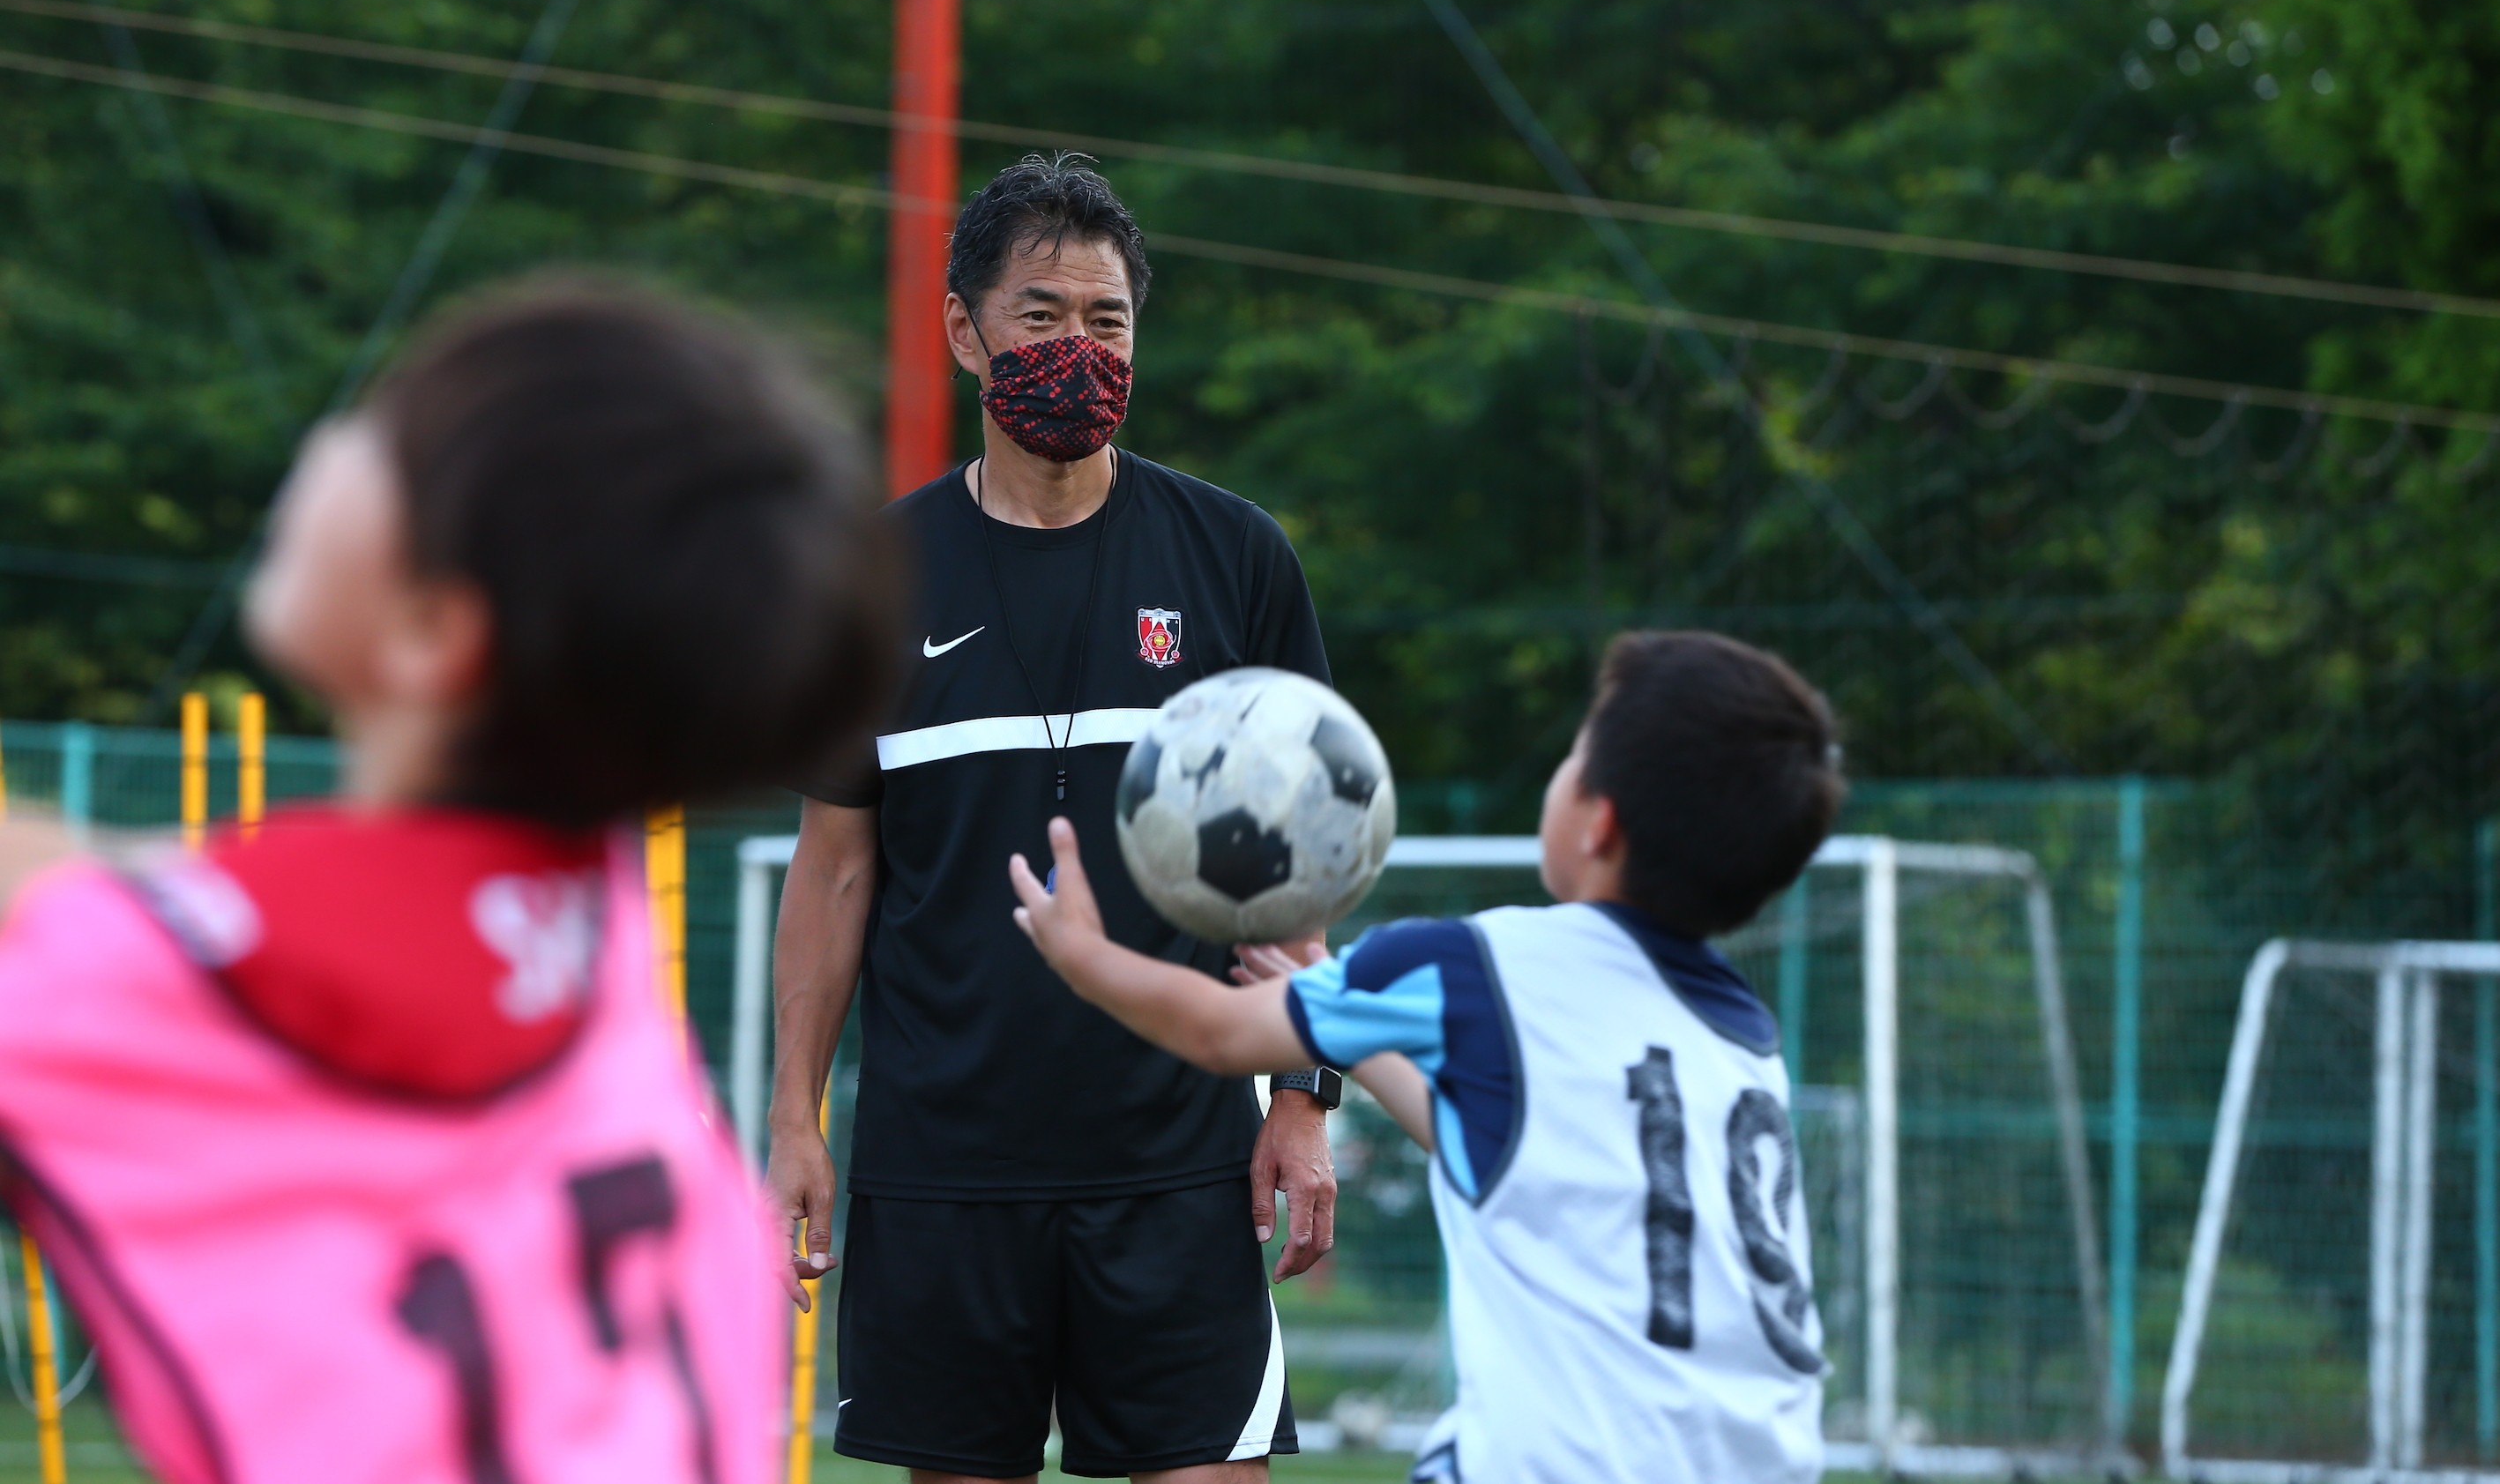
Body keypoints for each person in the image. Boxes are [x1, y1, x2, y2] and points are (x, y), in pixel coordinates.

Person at [0, 278, 899, 1483]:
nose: (326, 436)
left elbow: (89, 928)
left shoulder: (172, 986)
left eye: (382, 431)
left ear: (431, 631)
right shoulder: (600, 911)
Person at [766, 153, 1338, 1483]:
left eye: (1106, 320)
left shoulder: (1234, 555)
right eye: (1039, 317)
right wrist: (793, 1115)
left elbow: (1299, 852)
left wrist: (1305, 1095)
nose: (1074, 348)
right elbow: (835, 871)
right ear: (964, 330)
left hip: (1183, 1165)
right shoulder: (871, 576)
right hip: (941, 1170)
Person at [1010, 630, 1845, 1484]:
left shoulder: (1479, 966)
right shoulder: (1741, 1033)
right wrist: (1351, 1023)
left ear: (1598, 822)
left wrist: (1085, 956)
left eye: (1573, 756)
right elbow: (1500, 1149)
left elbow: (1220, 1034)